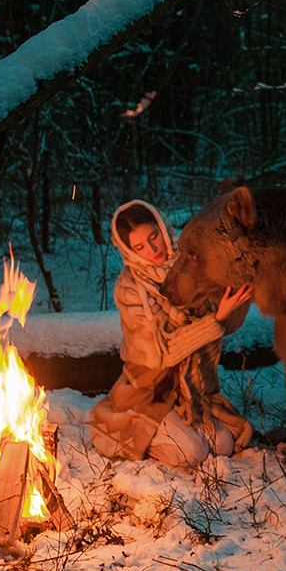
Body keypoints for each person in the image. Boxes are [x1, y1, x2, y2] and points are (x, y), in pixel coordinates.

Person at [89, 200, 255, 468]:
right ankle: (146, 435)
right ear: (129, 251)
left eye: (154, 237)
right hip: (151, 388)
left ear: (164, 229)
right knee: (192, 453)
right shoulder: (130, 288)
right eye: (140, 246)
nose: (152, 250)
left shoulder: (192, 261)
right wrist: (216, 319)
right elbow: (161, 354)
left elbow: (226, 325)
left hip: (193, 386)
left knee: (223, 444)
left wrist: (235, 303)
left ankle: (182, 426)